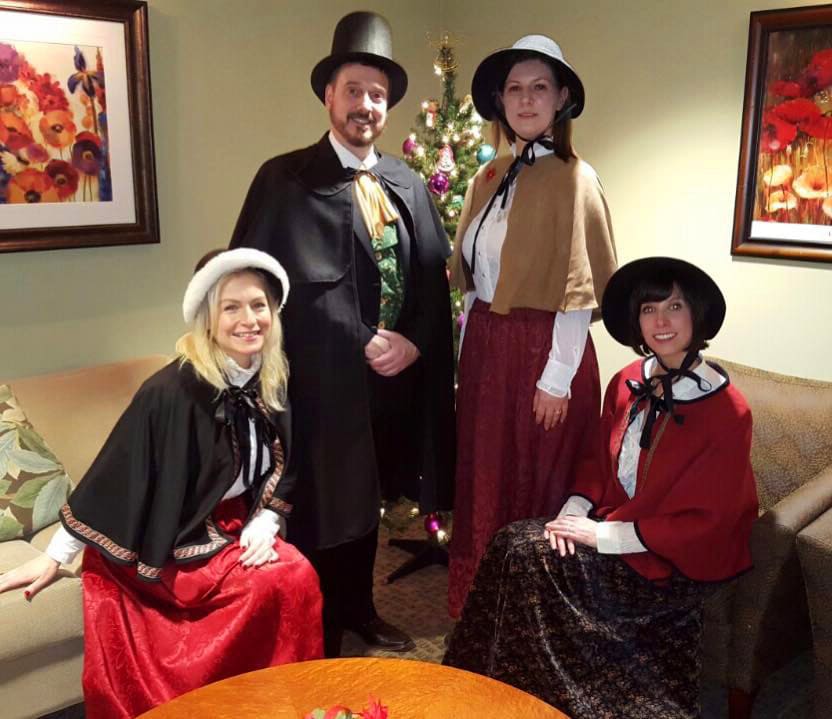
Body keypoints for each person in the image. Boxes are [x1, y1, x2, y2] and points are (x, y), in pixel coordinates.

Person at [0, 248, 324, 718]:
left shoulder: (270, 377)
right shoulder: (171, 392)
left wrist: (269, 518)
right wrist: (55, 557)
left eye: (259, 305)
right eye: (231, 307)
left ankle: (276, 701)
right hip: (170, 539)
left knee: (295, 577)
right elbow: (115, 475)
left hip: (232, 526)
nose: (249, 319)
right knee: (284, 580)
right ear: (208, 319)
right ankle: (226, 704)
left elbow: (287, 458)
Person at [229, 11, 456, 657]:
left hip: (393, 380)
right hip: (322, 381)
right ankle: (318, 621)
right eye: (353, 90)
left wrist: (412, 340)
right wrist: (358, 337)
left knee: (373, 499)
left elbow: (429, 285)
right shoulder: (285, 179)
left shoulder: (407, 183)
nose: (365, 105)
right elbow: (264, 288)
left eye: (377, 95)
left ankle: (361, 606)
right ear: (329, 95)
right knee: (324, 502)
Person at [444, 257, 759, 719]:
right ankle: (490, 685)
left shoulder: (728, 410)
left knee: (533, 560)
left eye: (674, 306)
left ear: (697, 313)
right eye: (649, 309)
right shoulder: (629, 380)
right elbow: (595, 460)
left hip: (677, 561)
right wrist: (574, 512)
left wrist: (599, 536)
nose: (661, 322)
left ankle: (553, 697)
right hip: (616, 527)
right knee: (515, 542)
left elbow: (709, 521)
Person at [446, 34, 618, 618]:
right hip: (489, 350)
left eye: (539, 87)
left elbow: (577, 287)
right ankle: (483, 608)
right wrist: (470, 354)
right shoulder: (487, 176)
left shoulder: (576, 178)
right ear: (500, 101)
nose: (525, 100)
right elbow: (474, 283)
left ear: (562, 98)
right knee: (486, 476)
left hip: (546, 352)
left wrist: (557, 377)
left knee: (535, 480)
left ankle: (535, 620)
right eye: (514, 89)